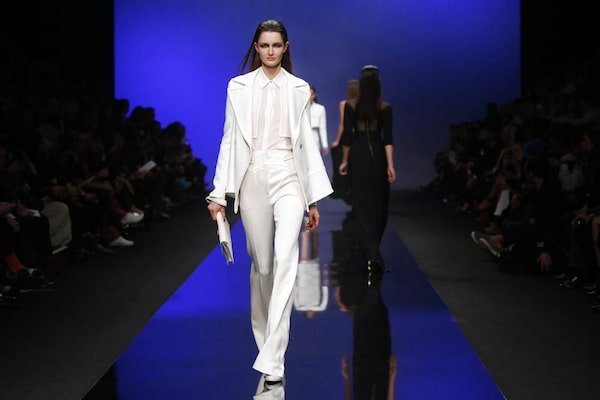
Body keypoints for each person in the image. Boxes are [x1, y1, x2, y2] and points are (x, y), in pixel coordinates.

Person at [205, 19, 332, 390]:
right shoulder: (238, 87)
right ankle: (267, 346)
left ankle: (273, 358)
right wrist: (218, 193)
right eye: (265, 45)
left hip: (289, 175)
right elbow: (230, 139)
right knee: (263, 266)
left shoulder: (299, 89)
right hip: (252, 177)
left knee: (286, 258)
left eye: (277, 45)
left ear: (285, 47)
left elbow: (306, 146)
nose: (271, 51)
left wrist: (311, 199)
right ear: (256, 47)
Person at [339, 65, 396, 272]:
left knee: (362, 206)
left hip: (358, 155)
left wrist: (345, 160)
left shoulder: (351, 106)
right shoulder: (385, 107)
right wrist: (390, 165)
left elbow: (348, 136)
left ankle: (371, 253)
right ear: (378, 83)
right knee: (379, 205)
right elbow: (387, 139)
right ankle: (374, 253)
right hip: (378, 157)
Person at [330, 80, 359, 201]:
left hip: (348, 136)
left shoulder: (344, 104)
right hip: (359, 137)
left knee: (343, 161)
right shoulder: (363, 103)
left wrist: (337, 140)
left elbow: (343, 124)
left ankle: (343, 188)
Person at [309, 86, 329, 156]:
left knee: (314, 158)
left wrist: (325, 145)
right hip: (302, 137)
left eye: (311, 94)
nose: (309, 97)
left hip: (314, 136)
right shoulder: (299, 108)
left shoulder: (320, 109)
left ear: (314, 95)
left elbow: (322, 128)